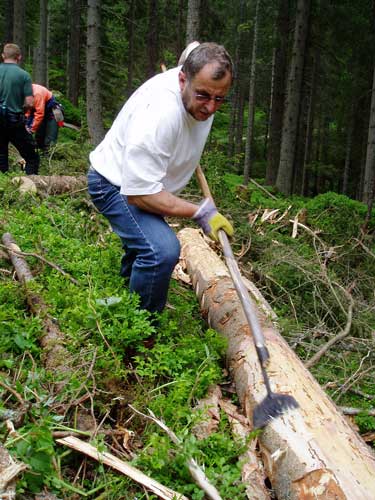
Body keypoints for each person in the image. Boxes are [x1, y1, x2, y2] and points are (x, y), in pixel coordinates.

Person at [88, 42, 234, 317]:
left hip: (145, 183)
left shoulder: (199, 79)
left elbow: (195, 49)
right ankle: (141, 333)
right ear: (182, 78)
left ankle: (125, 292)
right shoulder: (158, 115)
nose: (211, 107)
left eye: (220, 98)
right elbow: (140, 195)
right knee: (160, 250)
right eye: (203, 96)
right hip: (114, 184)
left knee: (143, 241)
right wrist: (201, 213)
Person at [0, 43, 39, 175]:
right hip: (14, 120)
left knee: (1, 157)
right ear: (19, 57)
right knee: (32, 157)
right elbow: (29, 102)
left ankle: (3, 188)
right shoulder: (24, 75)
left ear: (3, 56)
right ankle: (30, 187)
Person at [25, 83, 64, 153]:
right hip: (41, 111)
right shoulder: (24, 92)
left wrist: (31, 129)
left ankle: (49, 157)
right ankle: (39, 155)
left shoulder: (37, 94)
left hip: (53, 112)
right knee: (39, 138)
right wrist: (27, 125)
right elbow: (28, 111)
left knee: (50, 140)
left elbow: (39, 114)